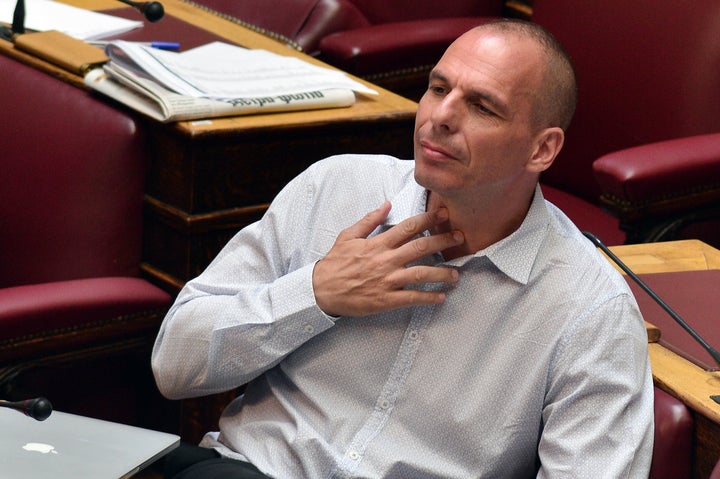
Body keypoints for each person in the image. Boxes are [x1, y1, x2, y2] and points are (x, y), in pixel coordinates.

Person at [152, 18, 654, 478]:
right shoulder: (334, 187)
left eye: (482, 106)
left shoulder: (591, 311)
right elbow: (173, 364)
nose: (440, 116)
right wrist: (314, 295)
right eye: (438, 89)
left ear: (541, 149)